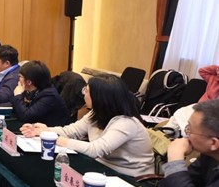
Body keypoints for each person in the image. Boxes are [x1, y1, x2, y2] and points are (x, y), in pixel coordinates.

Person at [20, 74, 154, 177]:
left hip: (131, 178)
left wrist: (54, 139)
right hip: (102, 168)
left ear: (100, 97)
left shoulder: (126, 123)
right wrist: (44, 130)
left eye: (87, 91)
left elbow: (94, 150)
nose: (83, 93)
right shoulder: (96, 113)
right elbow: (71, 131)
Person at [158, 99, 219, 187]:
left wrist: (175, 158)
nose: (186, 135)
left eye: (189, 129)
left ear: (213, 143)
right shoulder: (209, 156)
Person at [9, 60, 70, 126]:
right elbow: (18, 109)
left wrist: (18, 95)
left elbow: (26, 116)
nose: (18, 79)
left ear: (29, 82)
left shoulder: (49, 96)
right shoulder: (32, 91)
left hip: (51, 131)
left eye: (20, 77)